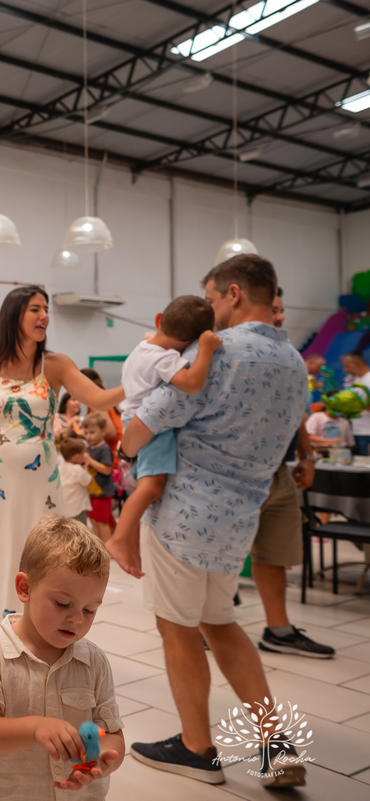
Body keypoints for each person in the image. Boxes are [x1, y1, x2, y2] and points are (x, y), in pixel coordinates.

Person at [125, 255, 307, 788]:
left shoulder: (220, 351)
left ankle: (197, 748)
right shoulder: (294, 360)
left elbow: (144, 426)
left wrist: (126, 441)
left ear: (232, 293)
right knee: (221, 625)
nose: (207, 312)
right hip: (239, 519)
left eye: (210, 299)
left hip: (184, 512)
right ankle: (277, 745)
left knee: (177, 628)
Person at [0, 285, 124, 683]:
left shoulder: (55, 365)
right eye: (35, 310)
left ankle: (38, 655)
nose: (43, 316)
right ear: (14, 315)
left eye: (46, 310)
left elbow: (99, 395)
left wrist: (143, 378)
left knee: (42, 559)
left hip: (39, 482)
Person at [0, 516, 125, 798]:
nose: (76, 618)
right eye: (63, 604)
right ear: (25, 588)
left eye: (90, 610)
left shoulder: (94, 662)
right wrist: (35, 727)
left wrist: (104, 759)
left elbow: (113, 734)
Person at [106, 296, 221, 578]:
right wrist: (205, 351)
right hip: (150, 428)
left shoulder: (144, 346)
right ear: (192, 342)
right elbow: (192, 383)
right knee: (152, 488)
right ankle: (119, 539)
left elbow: (152, 334)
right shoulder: (165, 359)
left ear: (159, 320)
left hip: (132, 420)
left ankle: (129, 547)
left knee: (142, 488)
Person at [250, 289, 333, 659]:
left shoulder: (291, 359)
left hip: (281, 471)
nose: (280, 317)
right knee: (220, 559)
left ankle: (278, 630)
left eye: (282, 310)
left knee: (274, 553)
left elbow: (296, 415)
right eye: (274, 310)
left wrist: (308, 455)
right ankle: (206, 624)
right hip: (242, 474)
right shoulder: (235, 354)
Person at [80, 413, 115, 542]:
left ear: (103, 431)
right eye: (86, 433)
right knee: (94, 520)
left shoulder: (104, 449)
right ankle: (99, 546)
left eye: (92, 432)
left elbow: (107, 470)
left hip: (103, 492)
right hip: (91, 492)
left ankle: (107, 548)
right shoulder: (89, 448)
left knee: (102, 522)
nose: (88, 436)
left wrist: (89, 460)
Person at [80, 368, 122, 458]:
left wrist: (81, 434)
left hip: (114, 455)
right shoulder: (103, 398)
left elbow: (110, 432)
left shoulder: (96, 403)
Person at [57, 436, 91, 526]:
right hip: (77, 510)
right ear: (76, 456)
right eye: (83, 454)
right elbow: (88, 482)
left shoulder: (59, 468)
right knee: (81, 534)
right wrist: (86, 466)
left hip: (64, 510)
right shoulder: (77, 469)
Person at [340, 350, 370, 455]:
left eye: (347, 366)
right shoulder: (358, 381)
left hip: (367, 432)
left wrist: (355, 404)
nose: (345, 369)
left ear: (358, 363)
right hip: (356, 431)